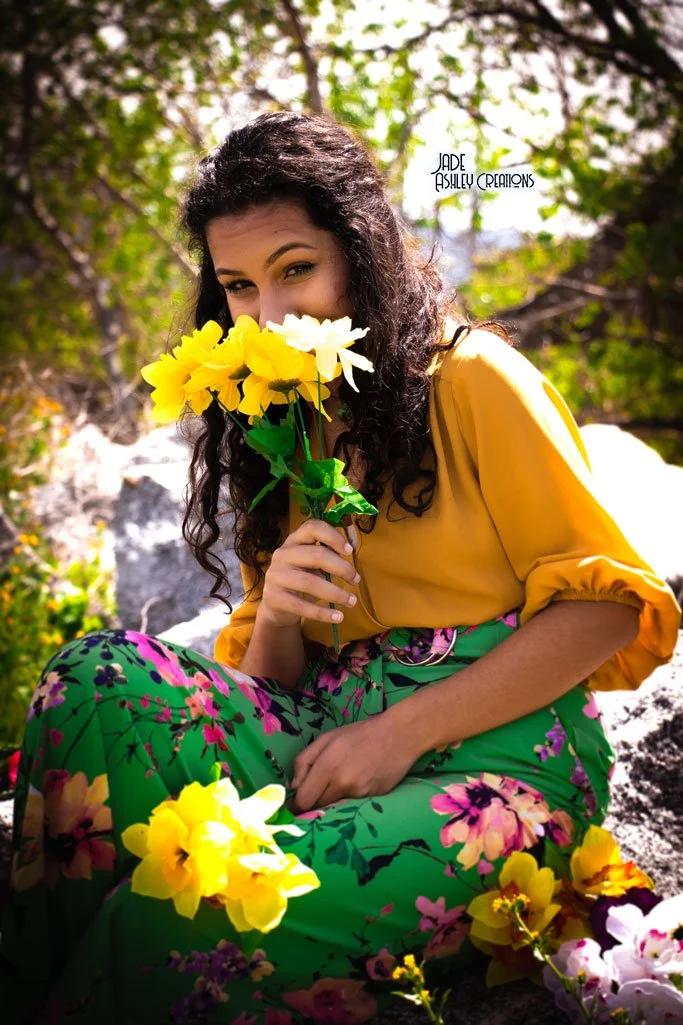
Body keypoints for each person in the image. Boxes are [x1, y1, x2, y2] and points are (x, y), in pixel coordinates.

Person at [1, 110, 680, 1025]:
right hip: (322, 738)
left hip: (497, 779)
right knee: (92, 679)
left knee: (189, 906)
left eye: (295, 269)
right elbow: (270, 682)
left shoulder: (471, 376)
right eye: (239, 286)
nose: (270, 314)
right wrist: (277, 609)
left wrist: (398, 732)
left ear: (360, 253)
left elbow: (604, 610)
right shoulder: (280, 419)